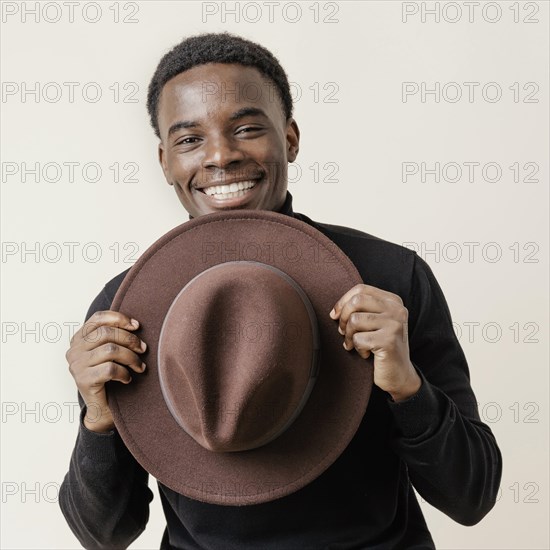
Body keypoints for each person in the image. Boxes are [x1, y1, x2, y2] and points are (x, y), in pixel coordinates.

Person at [59, 32, 502, 549]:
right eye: (188, 140)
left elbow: (472, 497)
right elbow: (103, 535)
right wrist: (100, 417)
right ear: (164, 162)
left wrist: (408, 387)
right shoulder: (127, 308)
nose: (220, 156)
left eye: (246, 129)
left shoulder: (389, 277)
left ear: (289, 138)